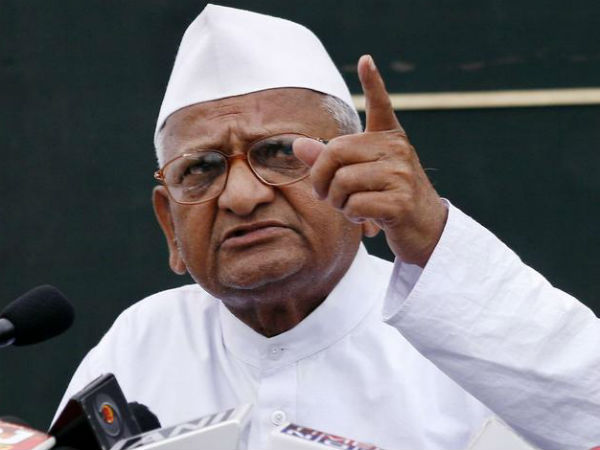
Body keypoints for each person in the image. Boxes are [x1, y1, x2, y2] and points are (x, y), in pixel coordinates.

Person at [55, 4, 600, 449]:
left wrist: (433, 237)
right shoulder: (141, 343)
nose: (241, 196)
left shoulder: (468, 339)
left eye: (280, 153)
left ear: (361, 182)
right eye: (200, 169)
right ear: (170, 226)